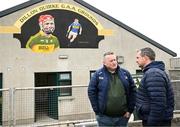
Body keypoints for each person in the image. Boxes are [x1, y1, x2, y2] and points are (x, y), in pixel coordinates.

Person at [88, 51, 136, 127]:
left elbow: (133, 91)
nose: (114, 62)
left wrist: (130, 110)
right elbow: (91, 92)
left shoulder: (125, 73)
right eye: (111, 61)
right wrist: (97, 111)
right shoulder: (98, 75)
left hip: (123, 117)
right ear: (104, 63)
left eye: (115, 60)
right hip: (104, 118)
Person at [136, 47, 174, 126]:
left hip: (156, 122)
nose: (136, 60)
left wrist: (152, 124)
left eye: (138, 57)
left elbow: (158, 103)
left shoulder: (153, 73)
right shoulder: (153, 72)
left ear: (145, 58)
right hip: (156, 120)